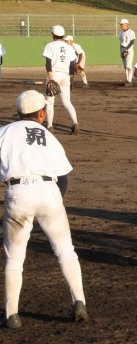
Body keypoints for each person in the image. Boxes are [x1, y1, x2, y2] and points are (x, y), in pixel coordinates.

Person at [0, 90, 88, 328]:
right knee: (66, 251)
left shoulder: (4, 132)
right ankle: (79, 302)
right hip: (49, 192)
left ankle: (11, 315)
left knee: (14, 259)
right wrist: (56, 205)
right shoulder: (49, 136)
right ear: (42, 113)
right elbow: (63, 178)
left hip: (18, 193)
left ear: (18, 112)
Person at [43, 25, 79, 135]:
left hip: (54, 74)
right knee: (67, 102)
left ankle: (50, 126)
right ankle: (75, 123)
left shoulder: (50, 45)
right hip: (65, 76)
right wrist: (71, 80)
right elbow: (72, 65)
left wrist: (51, 79)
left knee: (49, 102)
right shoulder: (69, 47)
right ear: (63, 36)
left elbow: (48, 63)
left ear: (53, 34)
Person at [119, 19, 136, 87]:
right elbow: (121, 43)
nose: (121, 26)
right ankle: (127, 80)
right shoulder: (122, 33)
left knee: (129, 66)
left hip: (129, 49)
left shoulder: (131, 32)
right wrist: (121, 51)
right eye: (121, 24)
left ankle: (129, 81)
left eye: (122, 24)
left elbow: (132, 41)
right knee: (125, 66)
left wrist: (126, 49)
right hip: (123, 49)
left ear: (126, 24)